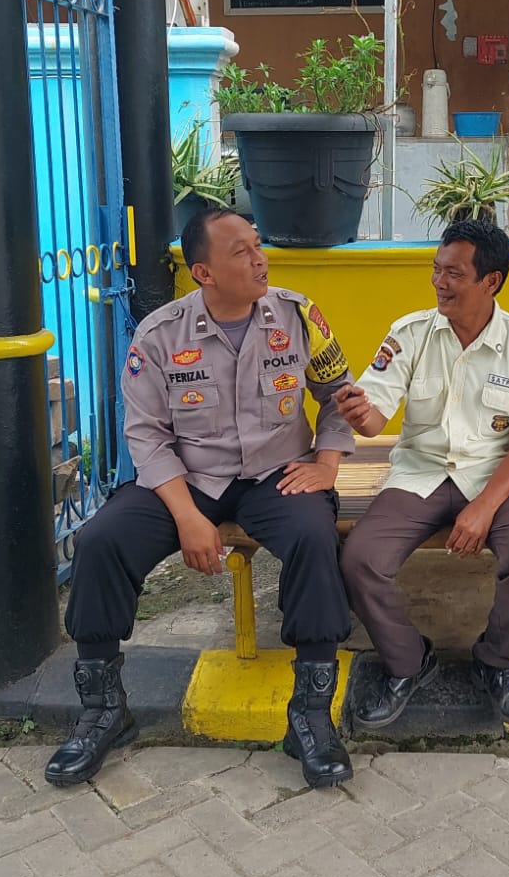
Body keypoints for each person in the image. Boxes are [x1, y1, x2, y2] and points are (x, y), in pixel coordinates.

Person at [47, 209, 357, 789]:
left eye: (258, 245)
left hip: (276, 472)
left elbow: (339, 394)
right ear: (203, 273)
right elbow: (146, 435)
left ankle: (310, 716)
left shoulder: (298, 316)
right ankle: (103, 710)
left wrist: (327, 464)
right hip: (189, 477)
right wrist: (187, 517)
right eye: (241, 252)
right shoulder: (159, 335)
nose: (260, 259)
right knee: (100, 540)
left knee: (315, 537)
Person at [336, 221, 509, 728]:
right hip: (421, 472)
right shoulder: (409, 333)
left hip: (492, 476)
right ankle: (409, 661)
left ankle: (497, 662)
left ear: (491, 281)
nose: (439, 282)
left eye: (454, 273)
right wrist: (357, 413)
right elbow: (374, 420)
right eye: (436, 269)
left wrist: (484, 508)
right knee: (361, 559)